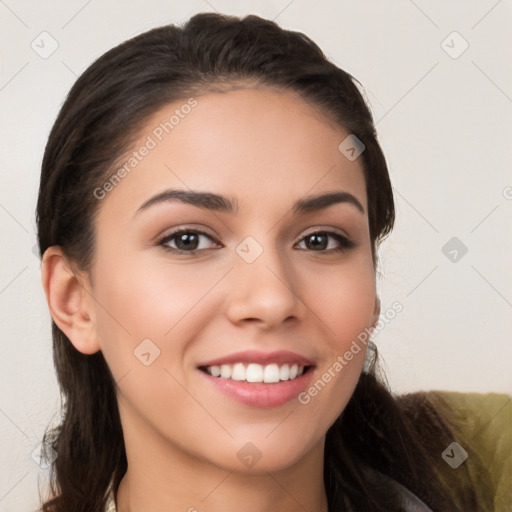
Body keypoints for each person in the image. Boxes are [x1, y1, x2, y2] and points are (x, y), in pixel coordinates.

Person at [35, 12, 507, 512]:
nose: (272, 298)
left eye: (320, 240)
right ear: (75, 301)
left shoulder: (492, 467)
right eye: (190, 240)